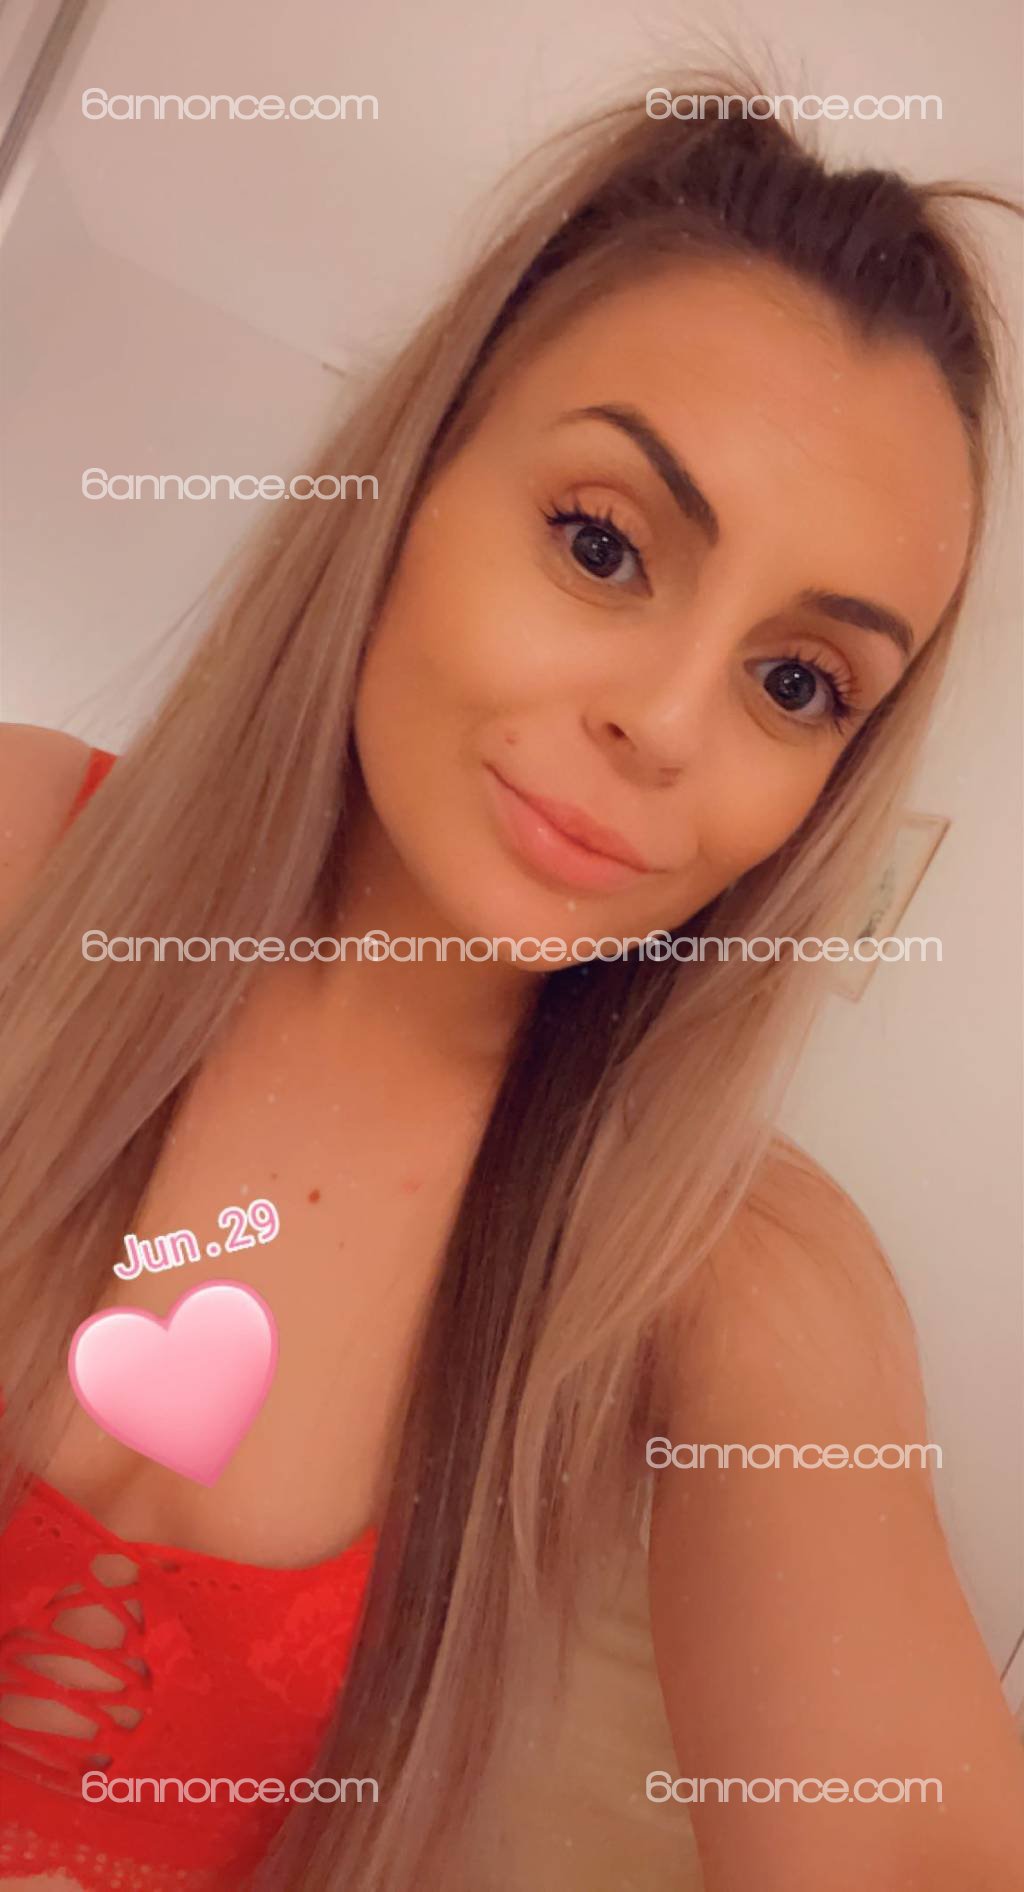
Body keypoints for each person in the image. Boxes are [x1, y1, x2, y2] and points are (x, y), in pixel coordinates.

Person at [1, 73, 1022, 1892]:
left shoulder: (730, 1269)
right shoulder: (18, 852)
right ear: (412, 481)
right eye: (603, 544)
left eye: (797, 683)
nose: (667, 721)